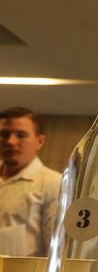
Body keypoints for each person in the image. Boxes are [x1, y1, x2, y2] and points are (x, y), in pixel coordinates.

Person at [0, 107, 61, 256]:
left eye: (21, 135)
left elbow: (56, 248)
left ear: (39, 141)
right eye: (4, 134)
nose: (11, 141)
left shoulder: (53, 183)